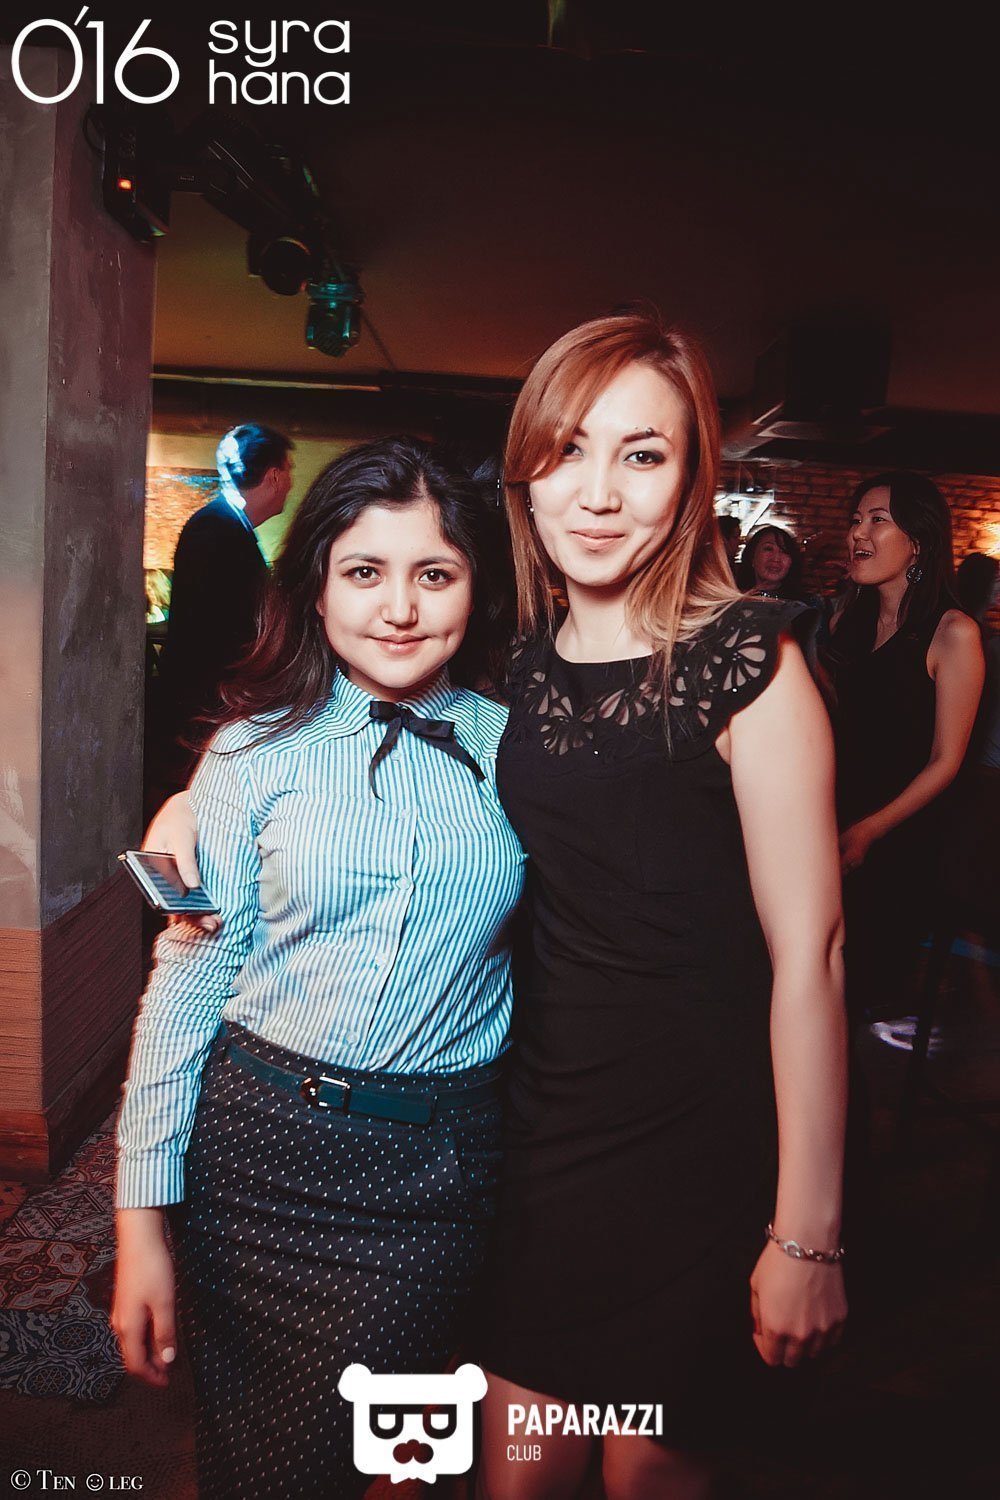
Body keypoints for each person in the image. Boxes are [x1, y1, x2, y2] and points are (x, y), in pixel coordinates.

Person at [147, 315, 850, 1500]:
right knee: (516, 1472)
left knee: (644, 1474)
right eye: (569, 451)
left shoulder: (751, 664)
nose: (599, 492)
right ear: (525, 472)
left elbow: (815, 958)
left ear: (691, 481)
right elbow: (365, 730)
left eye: (643, 455)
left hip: (698, 1142)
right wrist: (191, 803)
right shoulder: (507, 660)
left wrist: (807, 1232)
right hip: (525, 1131)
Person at [112, 436, 526, 1500]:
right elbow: (186, 989)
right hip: (255, 1160)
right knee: (255, 1465)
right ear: (316, 587)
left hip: (436, 1169)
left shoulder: (525, 753)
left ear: (476, 590)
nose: (399, 608)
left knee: (393, 1459)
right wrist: (140, 1219)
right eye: (364, 572)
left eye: (434, 574)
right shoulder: (251, 754)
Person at [825, 473, 984, 1036]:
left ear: (917, 542)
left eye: (877, 520)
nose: (857, 533)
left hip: (897, 836)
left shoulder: (953, 632)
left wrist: (869, 831)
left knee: (852, 992)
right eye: (855, 520)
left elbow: (946, 760)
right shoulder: (846, 620)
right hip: (833, 818)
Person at [156, 423, 294, 788]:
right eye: (289, 472)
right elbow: (218, 630)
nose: (290, 484)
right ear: (274, 476)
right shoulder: (217, 529)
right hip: (207, 705)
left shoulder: (225, 524)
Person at [736, 522, 806, 600]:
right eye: (768, 549)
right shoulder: (733, 601)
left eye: (784, 551)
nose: (776, 559)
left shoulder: (803, 605)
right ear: (752, 556)